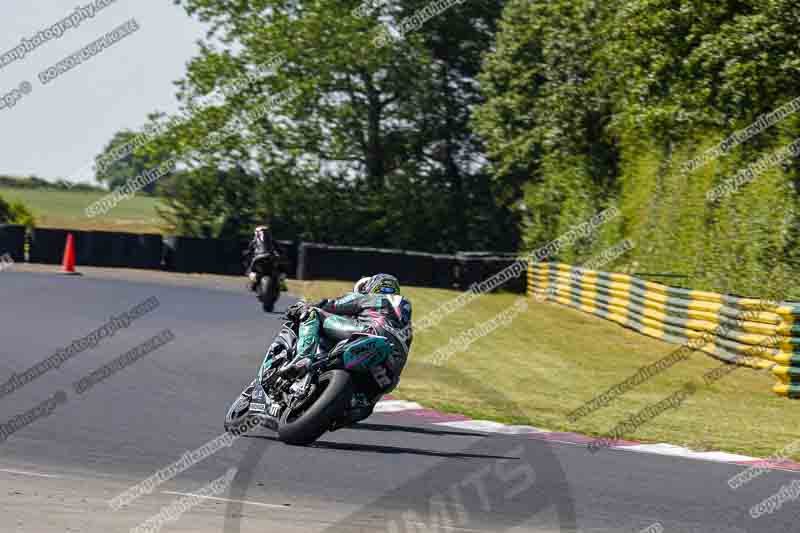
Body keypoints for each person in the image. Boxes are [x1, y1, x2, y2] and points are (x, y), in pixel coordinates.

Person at [260, 273, 413, 422]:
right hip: (389, 370)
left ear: (373, 286)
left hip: (367, 332)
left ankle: (303, 357)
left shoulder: (370, 297)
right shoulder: (406, 317)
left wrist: (302, 307)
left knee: (313, 313)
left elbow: (332, 305)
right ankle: (356, 402)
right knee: (368, 398)